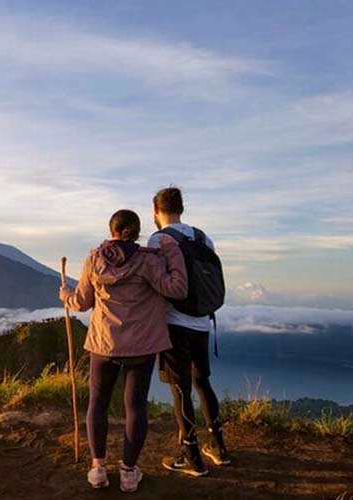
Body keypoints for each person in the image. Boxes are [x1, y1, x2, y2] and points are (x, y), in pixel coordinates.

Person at [59, 209, 187, 492]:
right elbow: (178, 289)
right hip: (141, 348)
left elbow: (81, 303)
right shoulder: (149, 261)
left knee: (98, 404)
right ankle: (129, 472)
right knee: (135, 408)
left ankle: (98, 469)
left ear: (111, 231)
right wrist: (173, 251)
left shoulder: (94, 260)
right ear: (137, 232)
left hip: (104, 346)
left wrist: (65, 295)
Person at [148, 187, 230, 478]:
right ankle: (219, 448)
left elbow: (157, 280)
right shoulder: (203, 237)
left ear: (156, 212)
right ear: (182, 208)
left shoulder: (159, 239)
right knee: (202, 382)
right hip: (203, 321)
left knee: (179, 388)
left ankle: (192, 455)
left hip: (175, 323)